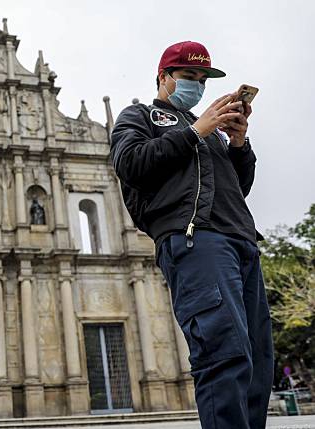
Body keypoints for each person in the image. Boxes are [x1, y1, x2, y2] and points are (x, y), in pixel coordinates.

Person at [110, 41, 273, 429]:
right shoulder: (138, 115)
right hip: (196, 240)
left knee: (258, 359)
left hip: (242, 243)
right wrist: (196, 131)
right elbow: (131, 164)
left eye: (203, 79)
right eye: (189, 77)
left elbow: (238, 187)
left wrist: (237, 142)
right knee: (224, 352)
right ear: (164, 77)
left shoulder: (212, 130)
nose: (198, 86)